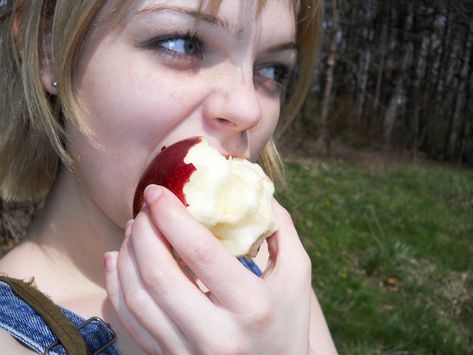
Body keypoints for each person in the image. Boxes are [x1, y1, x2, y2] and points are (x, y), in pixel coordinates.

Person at [0, 0, 338, 353]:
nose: (248, 108)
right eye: (183, 44)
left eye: (271, 70)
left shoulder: (270, 281)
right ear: (47, 48)